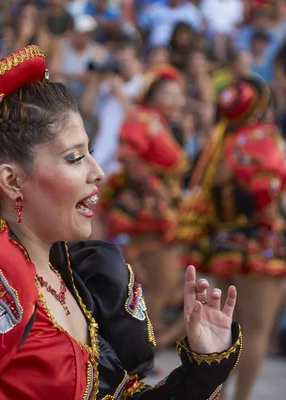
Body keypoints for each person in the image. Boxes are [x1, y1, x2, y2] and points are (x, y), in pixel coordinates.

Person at [0, 45, 242, 399]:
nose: (98, 172)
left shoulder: (80, 274)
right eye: (74, 157)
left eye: (90, 152)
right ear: (12, 181)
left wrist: (202, 367)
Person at [177, 79, 286, 400]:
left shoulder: (219, 142)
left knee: (222, 328)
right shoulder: (262, 139)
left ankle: (217, 395)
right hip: (258, 244)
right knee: (254, 331)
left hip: (220, 243)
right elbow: (266, 190)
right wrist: (278, 219)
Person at [99, 64, 189, 346]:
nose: (178, 100)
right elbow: (127, 154)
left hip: (160, 208)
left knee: (166, 282)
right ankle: (137, 344)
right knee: (162, 282)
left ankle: (147, 338)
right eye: (170, 94)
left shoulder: (158, 122)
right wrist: (155, 188)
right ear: (152, 96)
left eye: (179, 94)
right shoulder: (144, 118)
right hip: (147, 213)